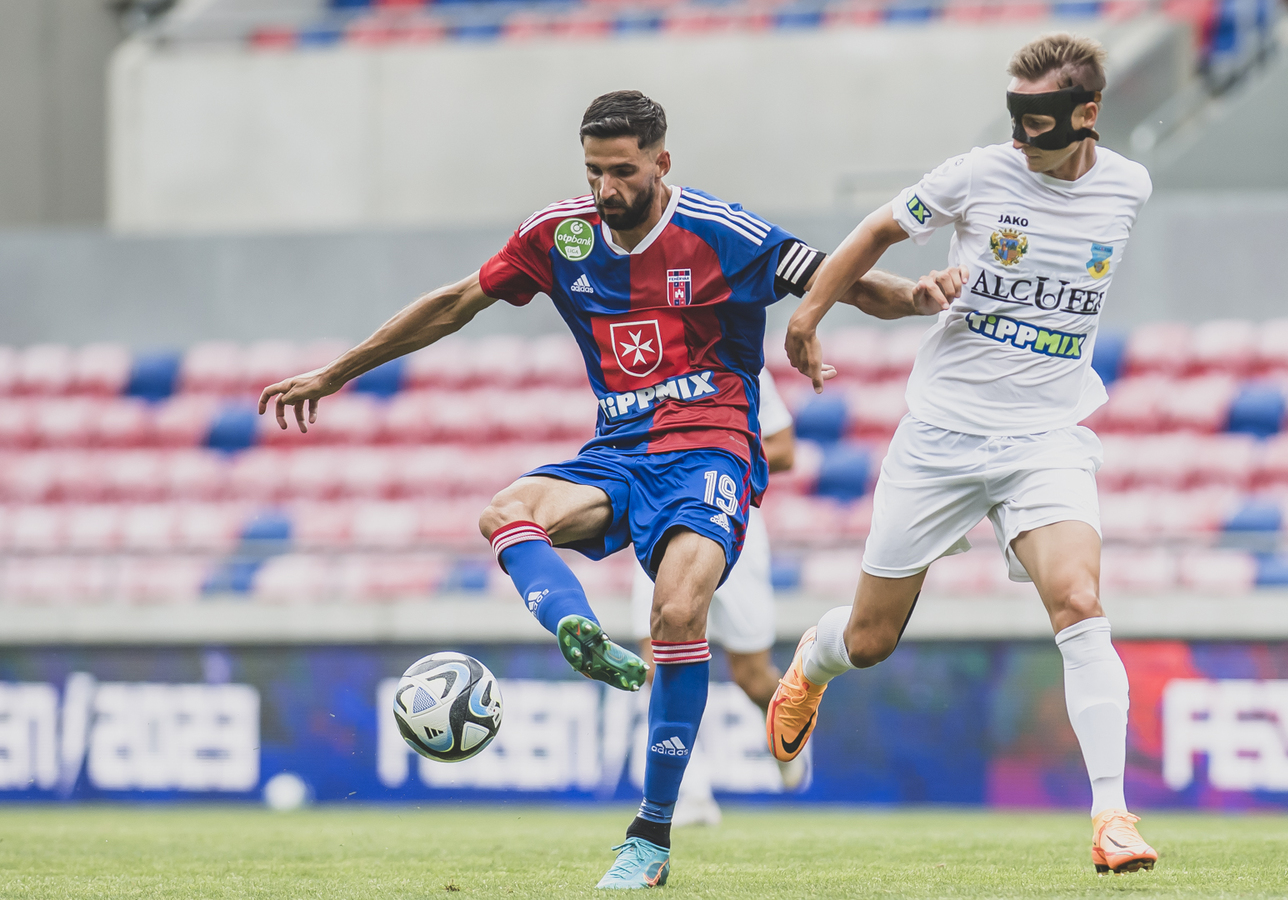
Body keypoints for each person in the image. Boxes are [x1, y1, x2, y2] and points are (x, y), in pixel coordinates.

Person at [257, 90, 954, 889]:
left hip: (710, 451)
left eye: (622, 172)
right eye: (593, 172)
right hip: (619, 451)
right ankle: (574, 627)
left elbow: (839, 277)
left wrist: (915, 297)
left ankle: (650, 837)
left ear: (661, 162)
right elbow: (454, 305)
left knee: (677, 614)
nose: (605, 189)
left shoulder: (721, 232)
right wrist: (336, 373)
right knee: (506, 512)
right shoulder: (561, 235)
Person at [766, 33, 1158, 874]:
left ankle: (1112, 816)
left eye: (1037, 123)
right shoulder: (978, 174)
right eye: (1013, 118)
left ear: (1087, 115)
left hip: (1045, 437)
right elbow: (877, 229)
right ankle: (812, 663)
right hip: (942, 436)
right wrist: (808, 315)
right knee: (871, 639)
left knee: (1079, 602)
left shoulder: (1129, 186)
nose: (1020, 138)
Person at [628, 366, 807, 827]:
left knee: (752, 677)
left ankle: (785, 731)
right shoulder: (645, 362)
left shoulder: (740, 361)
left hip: (731, 521)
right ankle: (690, 792)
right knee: (656, 662)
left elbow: (784, 449)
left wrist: (708, 456)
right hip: (660, 522)